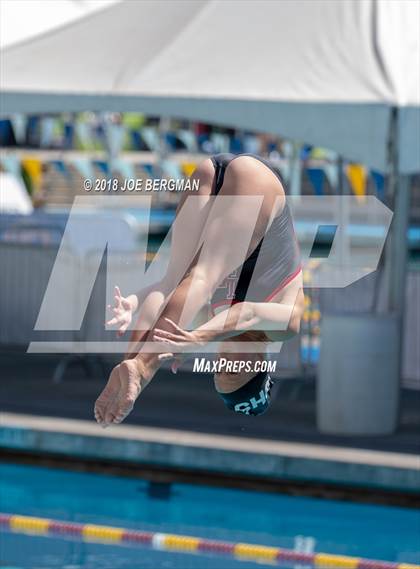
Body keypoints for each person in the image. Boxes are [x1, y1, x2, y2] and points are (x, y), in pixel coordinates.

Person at [94, 154, 303, 426]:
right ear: (258, 365)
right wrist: (197, 339)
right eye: (233, 371)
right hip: (257, 180)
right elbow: (247, 312)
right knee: (203, 277)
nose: (223, 362)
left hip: (209, 174)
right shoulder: (284, 328)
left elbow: (169, 293)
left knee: (175, 281)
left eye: (219, 369)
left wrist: (134, 304)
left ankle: (132, 371)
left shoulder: (213, 323)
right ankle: (142, 369)